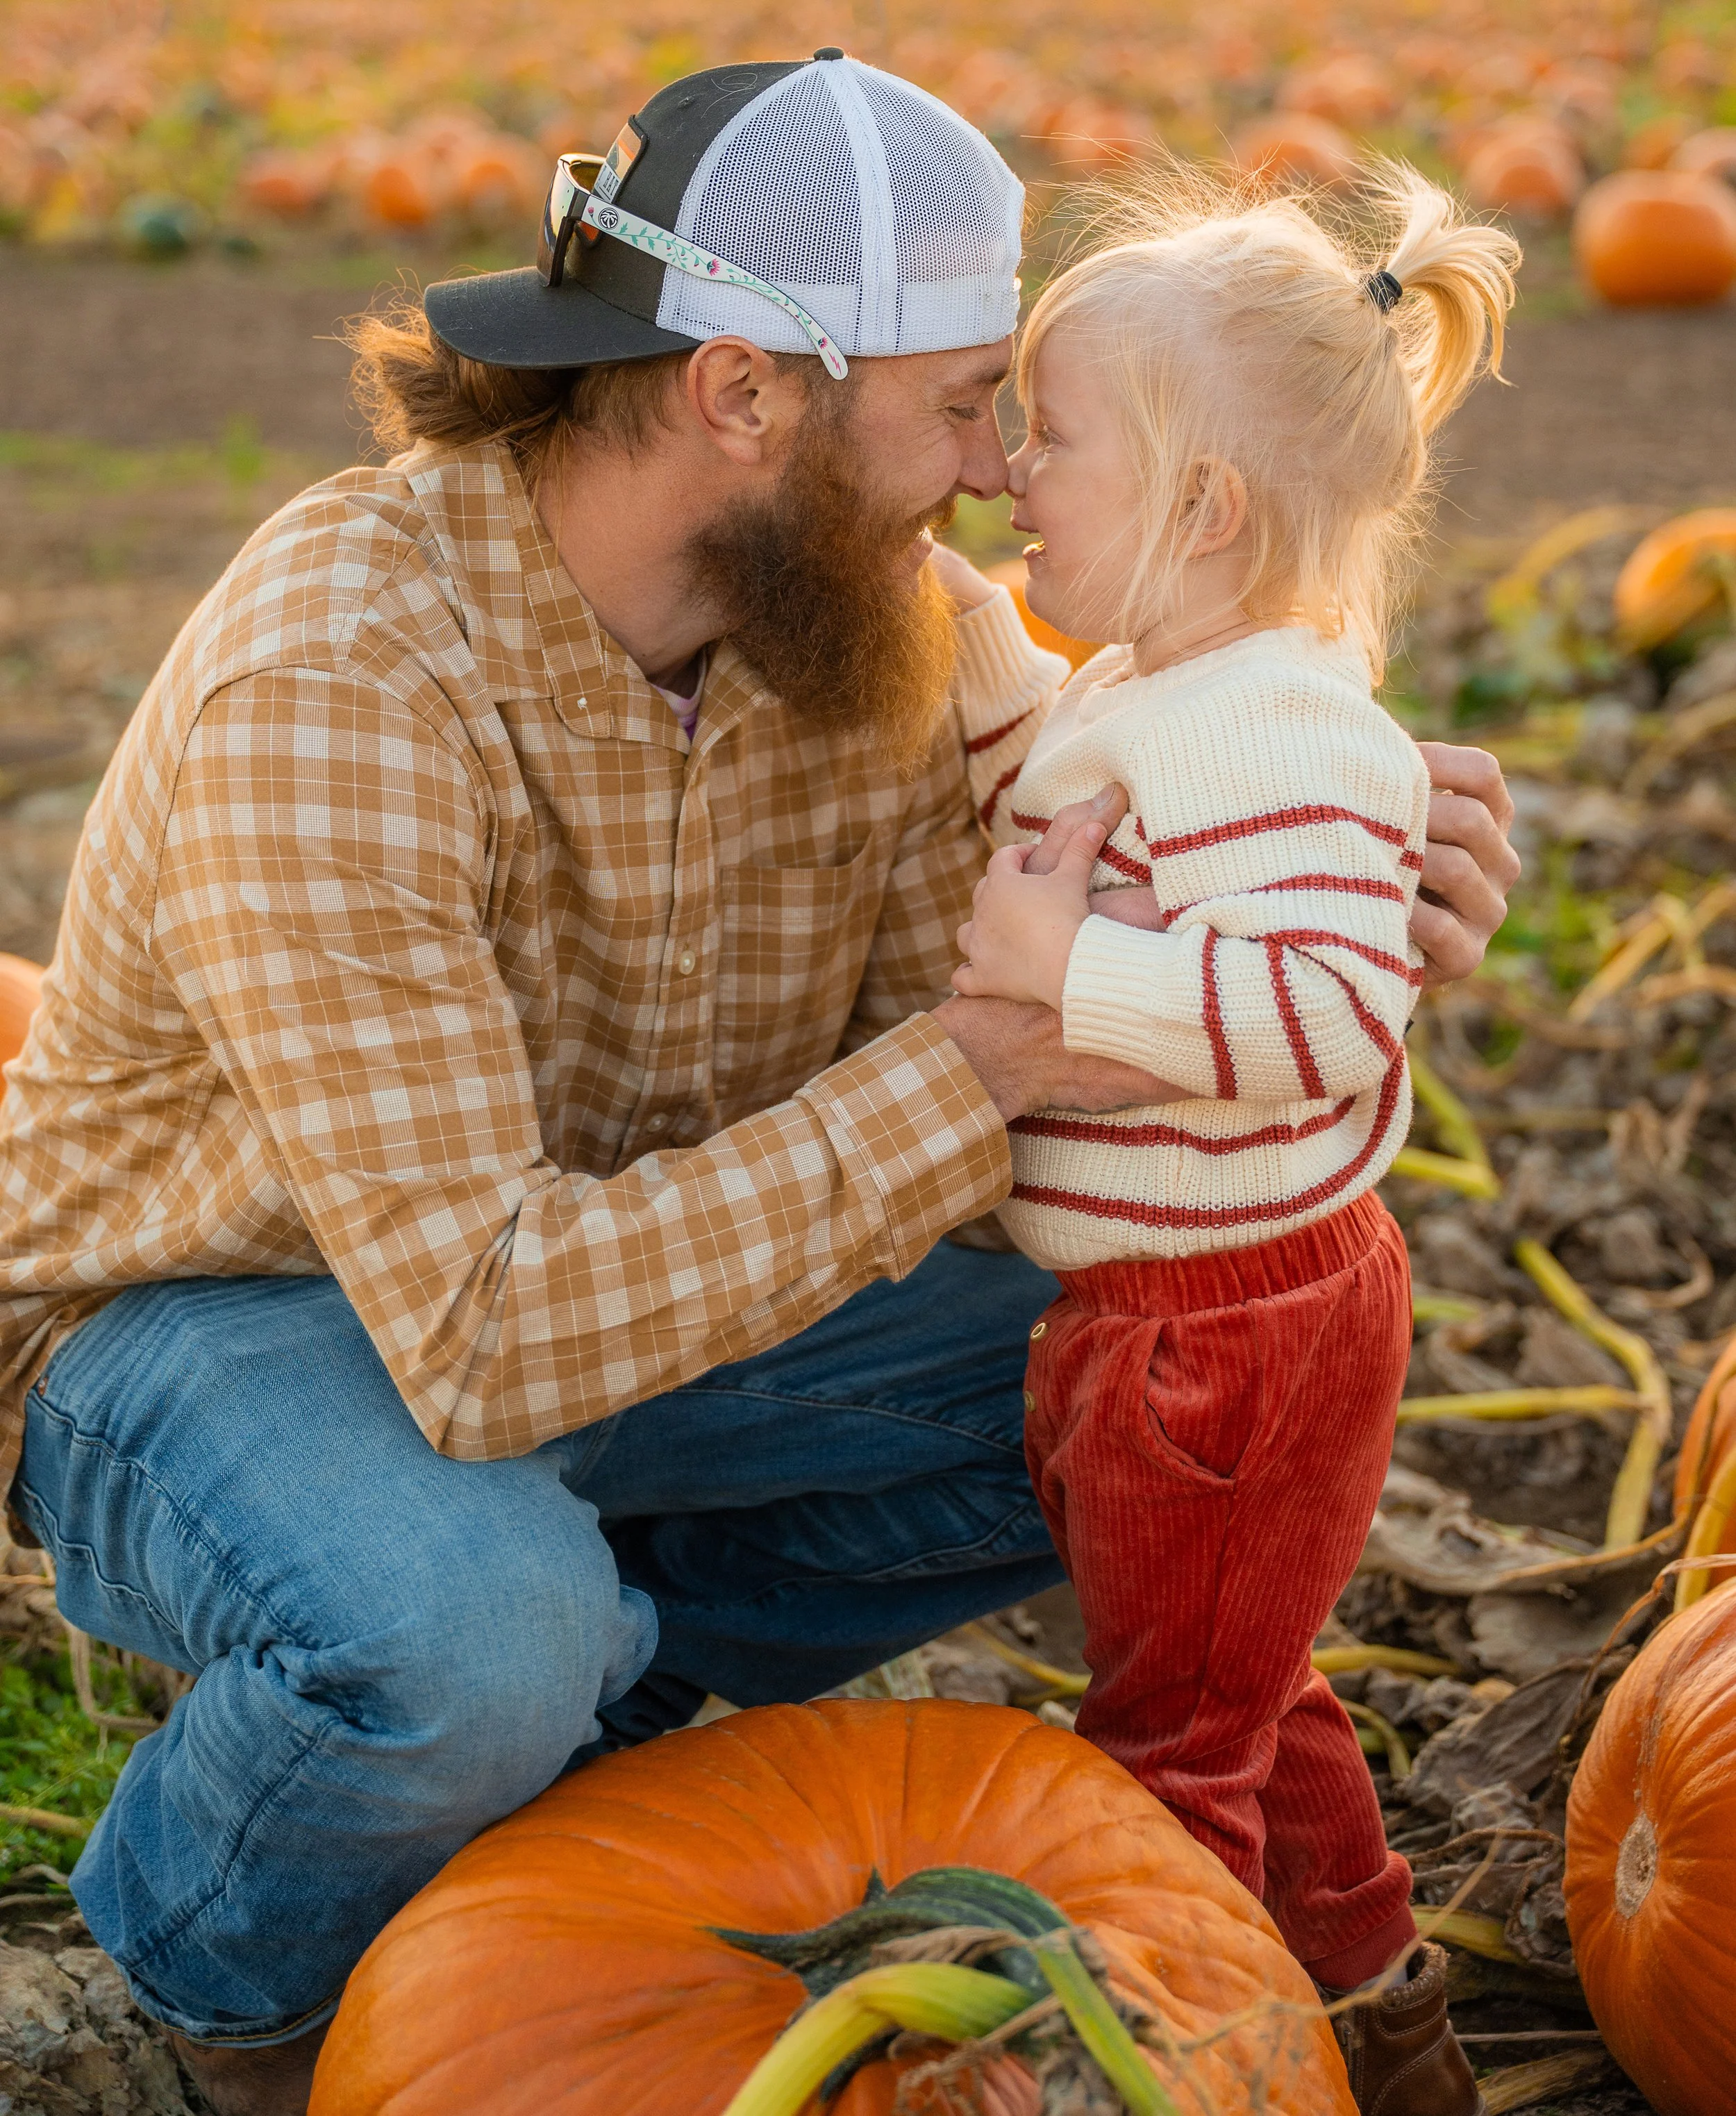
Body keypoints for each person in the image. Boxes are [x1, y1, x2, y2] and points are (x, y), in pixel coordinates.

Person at [0, 54, 1519, 2116]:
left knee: (1152, 1397)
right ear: (741, 392)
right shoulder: (344, 678)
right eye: (964, 396)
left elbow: (1142, 776)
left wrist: (1325, 851)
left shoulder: (867, 622)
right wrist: (995, 1046)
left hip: (641, 1300)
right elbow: (482, 1326)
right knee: (467, 1628)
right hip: (227, 1326)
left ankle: (594, 1723)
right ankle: (201, 1986)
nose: (994, 465)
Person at [935, 162, 1521, 2110]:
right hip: (1197, 1321)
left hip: (1223, 1338)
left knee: (1165, 1755)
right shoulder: (1173, 685)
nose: (1014, 469)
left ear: (1203, 508)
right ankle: (1381, 2024)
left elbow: (1325, 1008)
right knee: (1241, 1694)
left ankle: (1168, 2060)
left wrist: (1056, 977)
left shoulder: (1265, 732)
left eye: (1056, 435)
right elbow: (1088, 801)